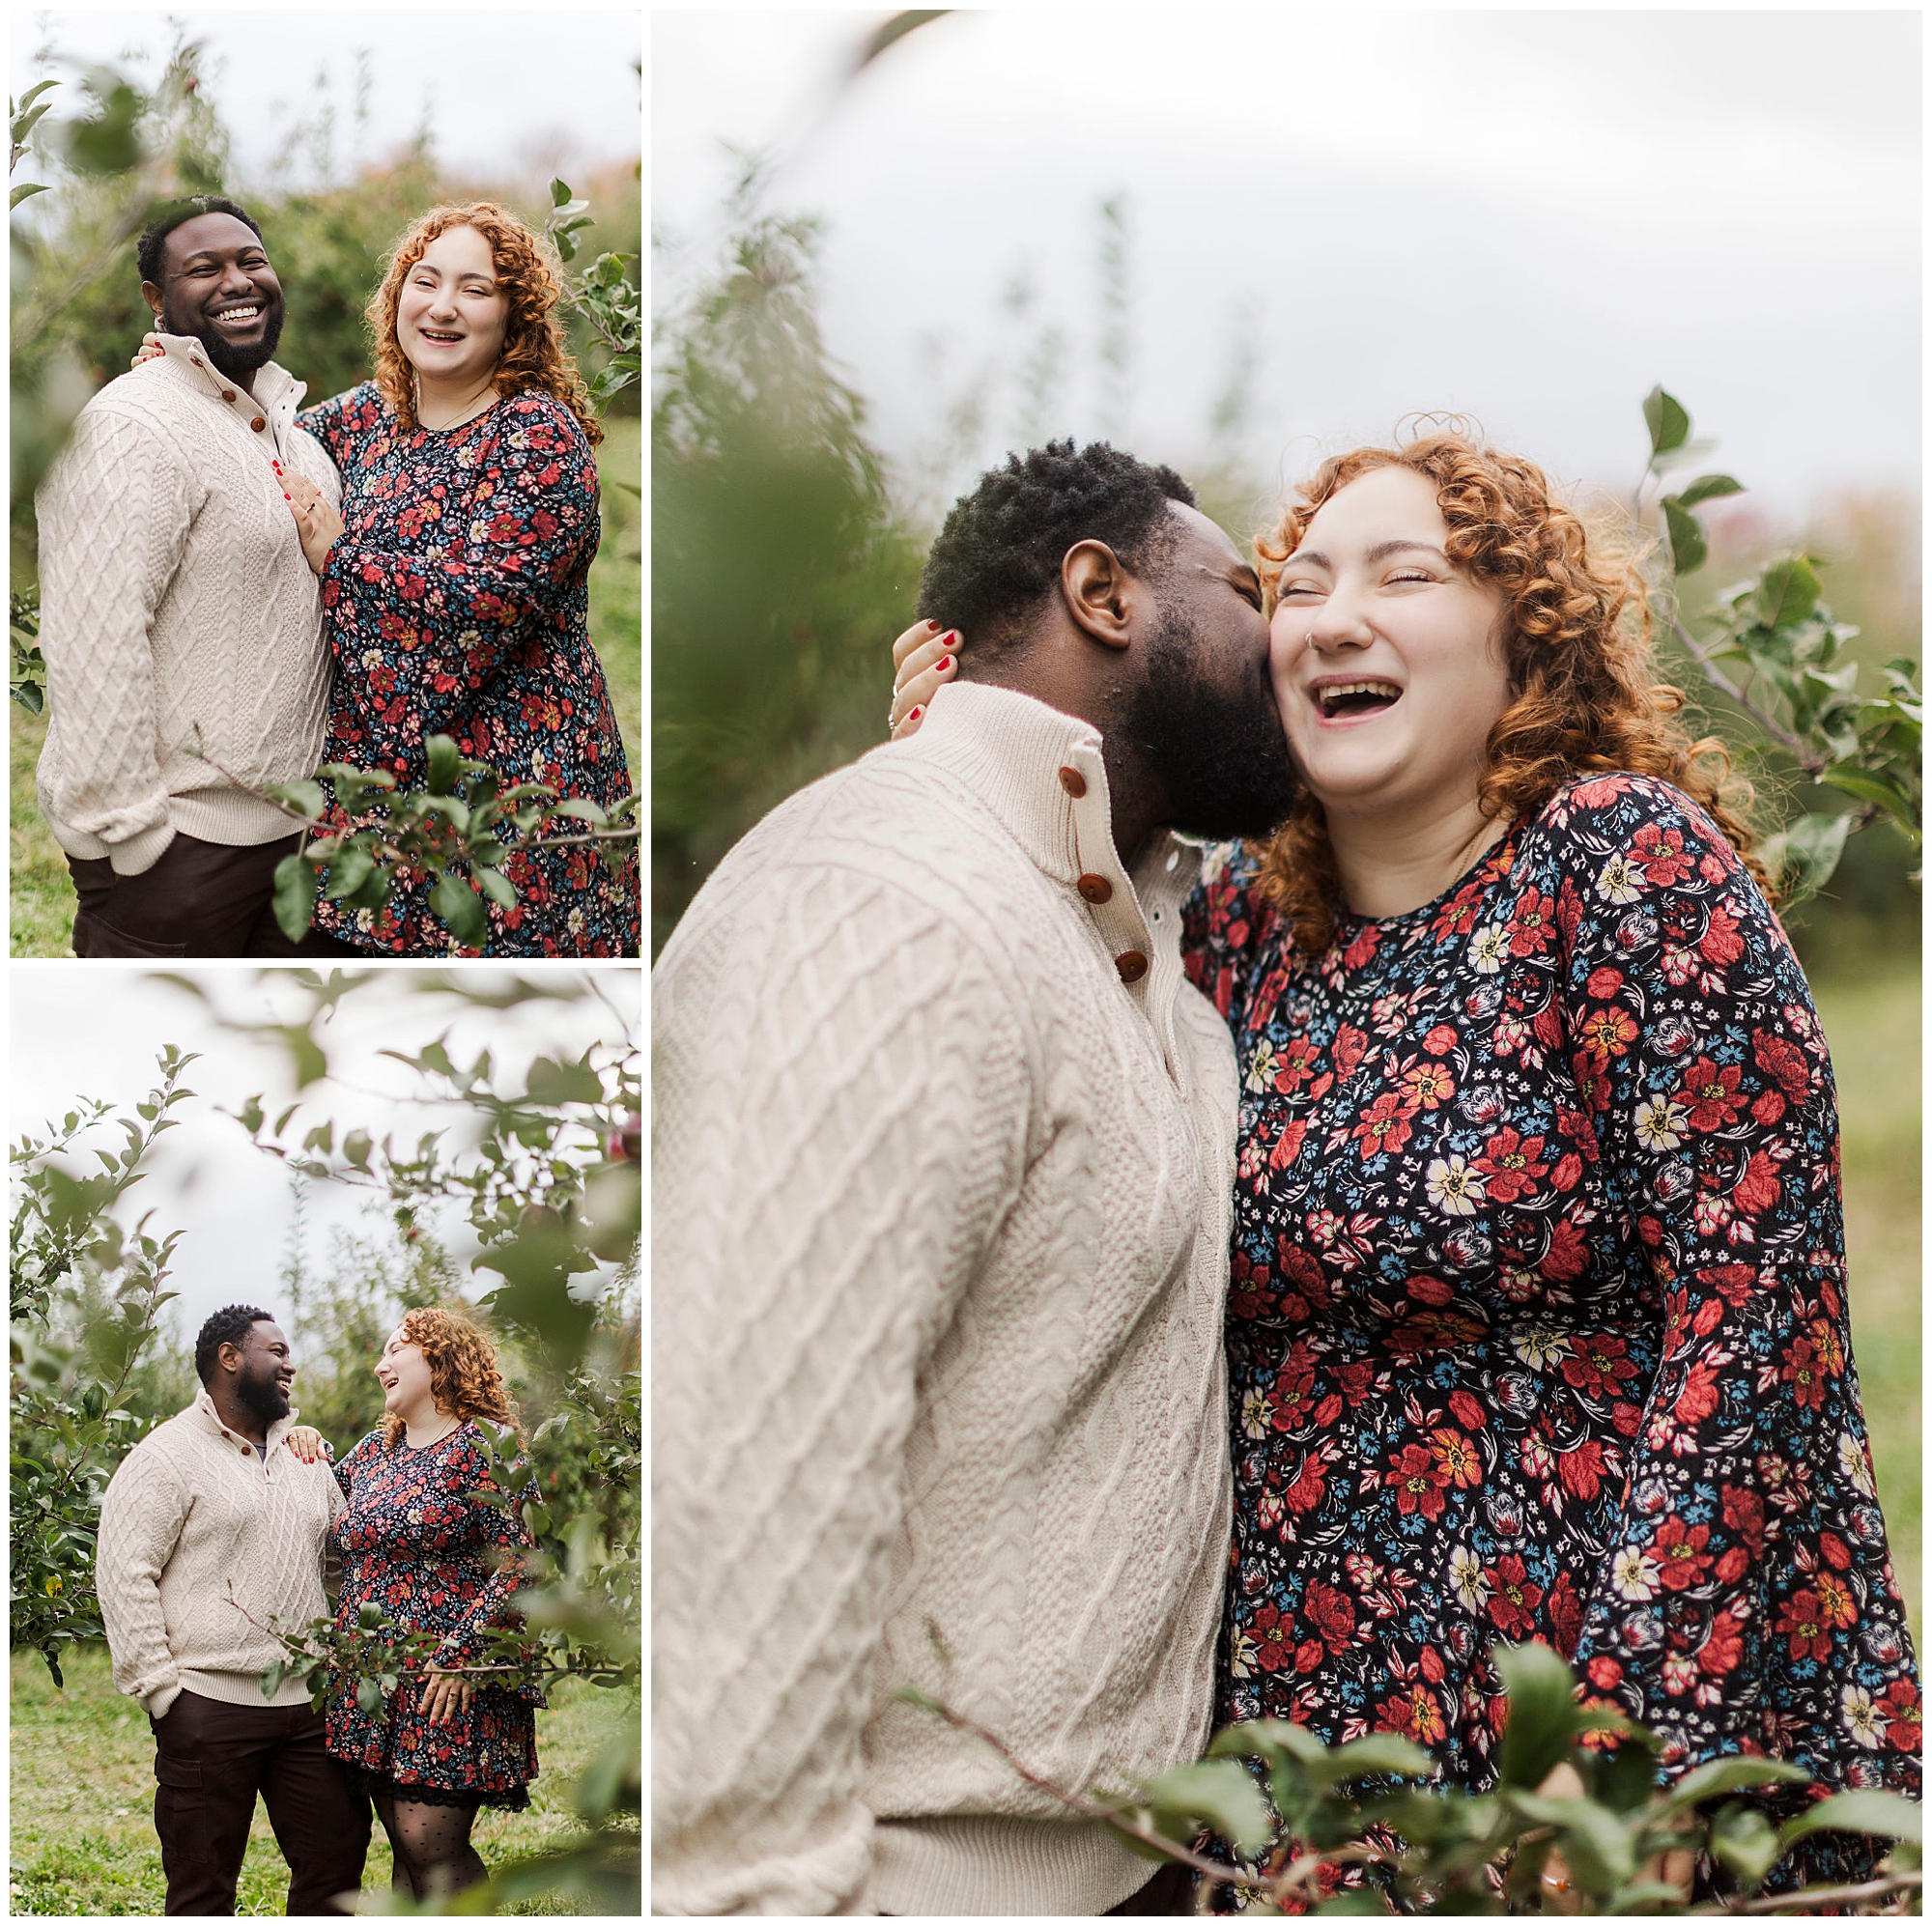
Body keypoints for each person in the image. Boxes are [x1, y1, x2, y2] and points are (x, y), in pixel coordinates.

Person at [890, 431, 1920, 1906]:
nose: (1330, 613)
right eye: (1296, 585)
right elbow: (1022, 1119)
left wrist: (1628, 1740)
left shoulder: (1621, 868)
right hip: (1316, 1763)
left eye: (1404, 572)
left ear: (1524, 639)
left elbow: (1758, 1319)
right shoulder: (1234, 935)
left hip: (1634, 1720)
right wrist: (945, 789)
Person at [653, 440, 1300, 1915]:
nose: (1292, 639)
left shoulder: (1147, 964)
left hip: (1128, 1865)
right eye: (1253, 592)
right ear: (1103, 591)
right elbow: (749, 1484)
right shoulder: (881, 903)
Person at [34, 197, 356, 958]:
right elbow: (95, 641)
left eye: (251, 261)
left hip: (298, 846)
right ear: (157, 300)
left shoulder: (294, 434)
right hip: (178, 857)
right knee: (153, 1072)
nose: (236, 282)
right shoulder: (132, 427)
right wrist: (137, 838)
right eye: (203, 268)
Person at [96, 1305, 370, 1915]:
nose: (290, 1364)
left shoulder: (308, 1457)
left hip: (309, 1709)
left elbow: (339, 1561)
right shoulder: (165, 1457)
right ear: (229, 1358)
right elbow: (123, 1573)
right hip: (207, 1711)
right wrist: (165, 1695)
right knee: (202, 1889)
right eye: (276, 1351)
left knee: (337, 1872)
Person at [326, 1306, 541, 1903]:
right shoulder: (373, 1453)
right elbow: (314, 1505)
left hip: (447, 1675)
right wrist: (304, 1442)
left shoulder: (485, 1446)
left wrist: (464, 1652)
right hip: (375, 1674)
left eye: (397, 1350)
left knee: (430, 1845)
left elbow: (522, 1563)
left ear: (439, 1357)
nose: (380, 1364)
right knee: (403, 1847)